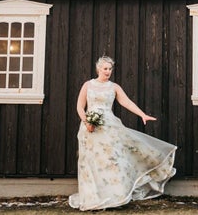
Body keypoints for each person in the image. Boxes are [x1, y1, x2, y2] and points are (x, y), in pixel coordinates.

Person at [68, 55, 177, 211]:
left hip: (109, 127)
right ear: (99, 69)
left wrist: (142, 114)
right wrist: (87, 122)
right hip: (90, 129)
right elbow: (79, 106)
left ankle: (115, 197)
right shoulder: (88, 85)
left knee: (112, 161)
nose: (108, 72)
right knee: (90, 162)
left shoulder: (114, 87)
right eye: (105, 68)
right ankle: (92, 199)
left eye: (110, 69)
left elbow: (126, 102)